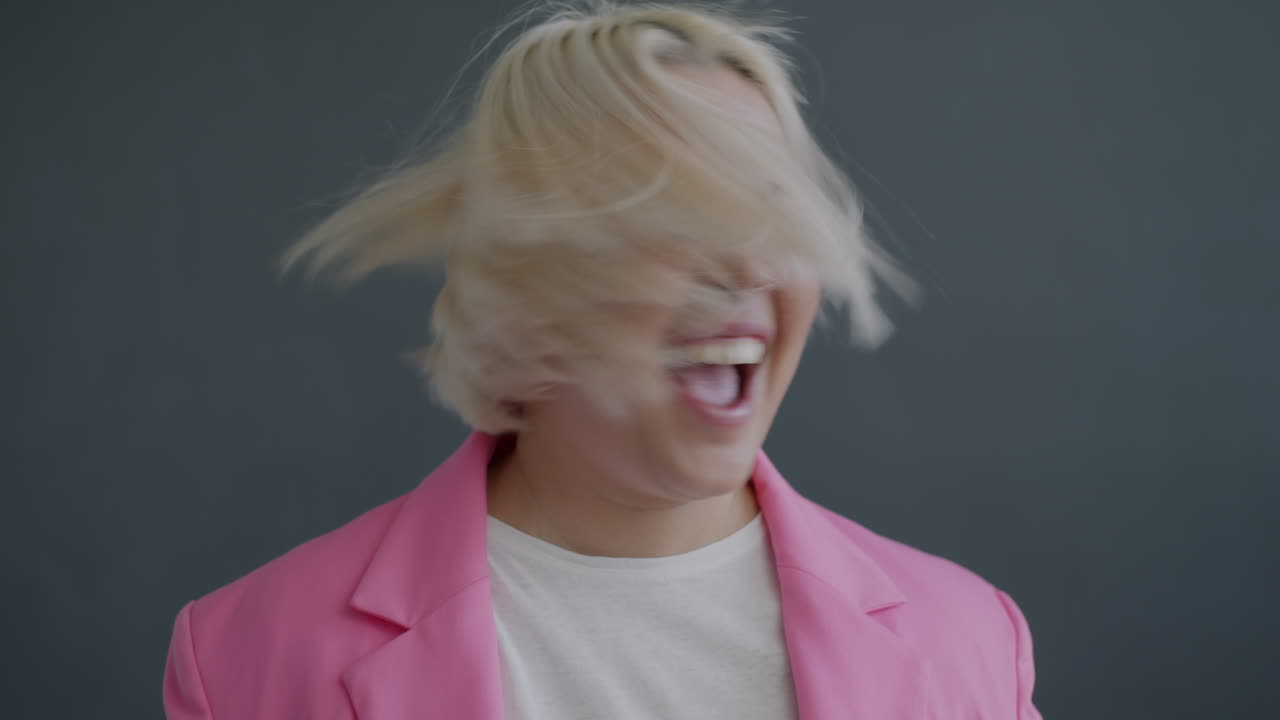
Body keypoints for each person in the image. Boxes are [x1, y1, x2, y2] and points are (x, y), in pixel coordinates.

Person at [163, 3, 1043, 718]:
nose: (745, 264)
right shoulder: (247, 657)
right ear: (525, 281)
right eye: (677, 214)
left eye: (774, 210)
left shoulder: (970, 641)